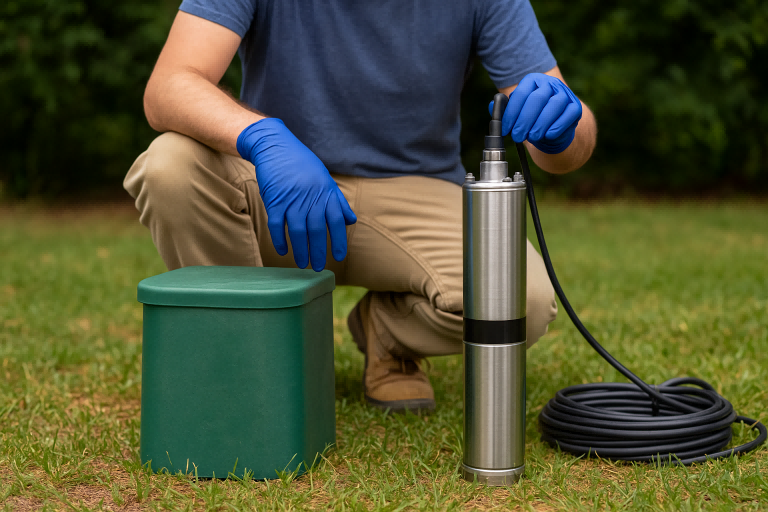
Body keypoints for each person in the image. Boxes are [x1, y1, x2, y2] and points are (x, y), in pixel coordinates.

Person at [124, 0, 597, 413]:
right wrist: (262, 137)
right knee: (170, 165)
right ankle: (247, 359)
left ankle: (386, 334)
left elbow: (570, 147)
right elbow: (169, 85)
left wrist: (562, 128)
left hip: (417, 188)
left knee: (522, 303)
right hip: (276, 183)